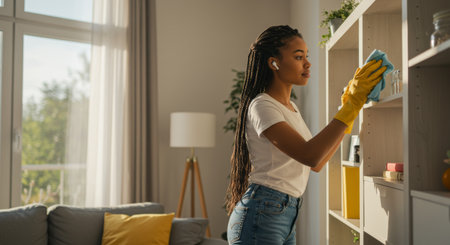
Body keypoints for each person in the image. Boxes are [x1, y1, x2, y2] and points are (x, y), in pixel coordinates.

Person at [225, 25, 386, 244]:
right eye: (299, 57)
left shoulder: (291, 108)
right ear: (274, 63)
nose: (308, 63)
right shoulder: (262, 105)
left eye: (306, 56)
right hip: (263, 213)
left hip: (284, 213)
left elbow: (316, 163)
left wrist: (350, 109)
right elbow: (310, 155)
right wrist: (350, 107)